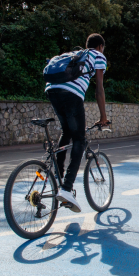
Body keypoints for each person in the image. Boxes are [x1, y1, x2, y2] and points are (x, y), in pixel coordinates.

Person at [45, 33, 109, 212]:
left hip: (52, 89)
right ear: (100, 47)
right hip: (71, 94)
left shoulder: (75, 55)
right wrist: (103, 117)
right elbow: (99, 88)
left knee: (67, 132)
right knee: (79, 140)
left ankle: (58, 180)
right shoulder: (98, 56)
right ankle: (66, 189)